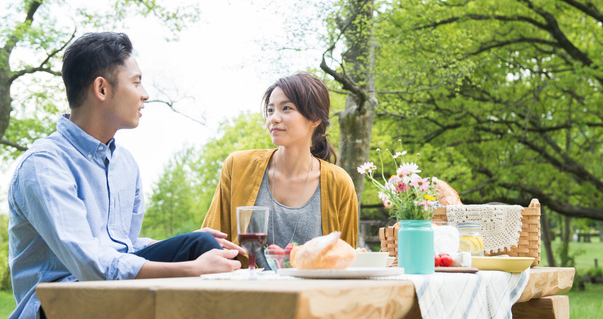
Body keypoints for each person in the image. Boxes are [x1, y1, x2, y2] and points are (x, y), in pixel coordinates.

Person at [7, 32, 245, 319]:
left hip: (110, 292)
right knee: (196, 259)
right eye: (135, 82)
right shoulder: (44, 164)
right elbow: (91, 265)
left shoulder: (124, 163)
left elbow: (124, 247)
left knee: (200, 245)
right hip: (58, 303)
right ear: (102, 89)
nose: (145, 94)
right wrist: (191, 268)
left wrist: (184, 243)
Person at [202, 72, 359, 269]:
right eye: (270, 110)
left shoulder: (339, 182)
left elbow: (347, 260)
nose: (274, 118)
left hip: (312, 297)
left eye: (286, 108)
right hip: (245, 293)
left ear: (315, 118)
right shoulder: (238, 166)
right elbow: (210, 243)